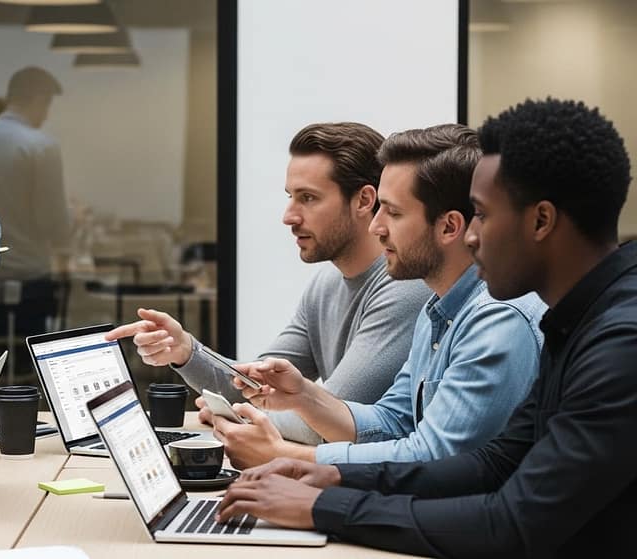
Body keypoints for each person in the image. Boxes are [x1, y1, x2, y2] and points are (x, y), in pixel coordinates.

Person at [216, 98, 637, 558]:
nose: (472, 236)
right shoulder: (573, 322)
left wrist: (322, 503)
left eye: (483, 215)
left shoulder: (617, 344)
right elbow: (492, 463)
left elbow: (514, 521)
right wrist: (330, 474)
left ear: (540, 221)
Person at [210, 124, 544, 469]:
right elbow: (392, 422)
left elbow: (434, 459)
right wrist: (304, 397)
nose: (375, 226)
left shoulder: (499, 319)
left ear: (449, 227)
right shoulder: (438, 311)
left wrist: (287, 458)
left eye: (394, 213)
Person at [107, 122, 432, 444]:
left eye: (308, 198)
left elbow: (321, 425)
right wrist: (186, 350)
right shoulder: (327, 283)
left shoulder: (404, 288)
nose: (289, 216)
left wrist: (234, 414)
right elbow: (253, 387)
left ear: (363, 201)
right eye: (291, 197)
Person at [0, 66, 69, 337]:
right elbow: (51, 220)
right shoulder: (41, 146)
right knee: (27, 362)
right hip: (29, 276)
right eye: (48, 105)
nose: (47, 114)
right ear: (40, 100)